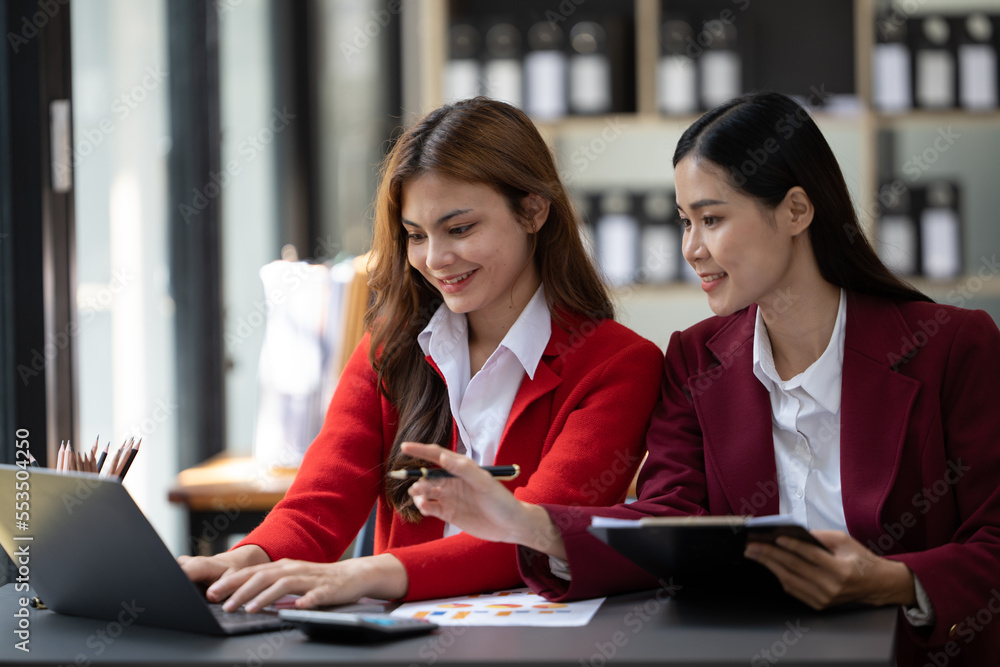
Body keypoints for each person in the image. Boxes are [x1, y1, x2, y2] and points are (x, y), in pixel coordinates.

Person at [404, 91, 1000, 666]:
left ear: (796, 210)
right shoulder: (695, 358)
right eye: (684, 221)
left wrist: (893, 581)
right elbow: (669, 523)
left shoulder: (951, 347)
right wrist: (525, 523)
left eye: (711, 219)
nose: (691, 248)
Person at [178, 97, 663, 613]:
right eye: (415, 236)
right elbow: (320, 502)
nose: (435, 259)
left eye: (460, 229)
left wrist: (364, 573)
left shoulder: (620, 365)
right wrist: (247, 559)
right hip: (405, 642)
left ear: (533, 210)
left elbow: (535, 535)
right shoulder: (390, 348)